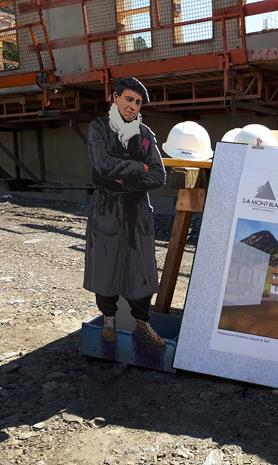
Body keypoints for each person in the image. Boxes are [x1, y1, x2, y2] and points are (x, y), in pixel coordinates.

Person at [83, 77, 166, 348]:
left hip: (137, 211)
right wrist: (137, 168)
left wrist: (125, 176)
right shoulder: (99, 128)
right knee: (106, 267)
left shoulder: (145, 134)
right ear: (115, 97)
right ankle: (108, 320)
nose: (133, 106)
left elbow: (158, 176)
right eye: (129, 99)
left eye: (138, 102)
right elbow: (102, 165)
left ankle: (142, 323)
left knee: (141, 271)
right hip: (107, 209)